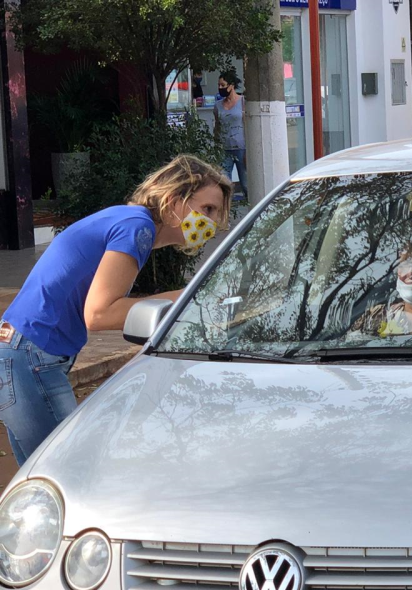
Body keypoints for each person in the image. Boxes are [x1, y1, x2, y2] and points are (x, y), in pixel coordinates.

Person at [0, 155, 232, 466]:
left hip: (24, 351)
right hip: (31, 355)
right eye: (208, 209)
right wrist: (189, 296)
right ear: (175, 198)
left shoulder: (128, 220)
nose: (213, 223)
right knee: (72, 471)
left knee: (41, 476)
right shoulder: (137, 228)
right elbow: (99, 314)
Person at [214, 69, 248, 201]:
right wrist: (216, 145)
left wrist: (248, 150)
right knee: (225, 184)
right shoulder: (218, 106)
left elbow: (247, 126)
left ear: (231, 86)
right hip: (224, 149)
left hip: (241, 148)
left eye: (223, 85)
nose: (220, 88)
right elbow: (217, 126)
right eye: (219, 85)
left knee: (246, 183)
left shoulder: (243, 102)